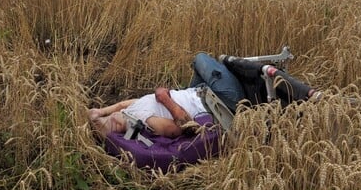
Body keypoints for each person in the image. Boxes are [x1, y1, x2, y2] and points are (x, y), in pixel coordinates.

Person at [88, 52, 320, 139]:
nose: (114, 118)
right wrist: (165, 99)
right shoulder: (144, 120)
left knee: (211, 65)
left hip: (198, 91)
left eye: (111, 118)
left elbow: (120, 104)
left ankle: (239, 72)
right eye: (111, 124)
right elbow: (179, 128)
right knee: (203, 59)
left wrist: (100, 111)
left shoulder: (129, 110)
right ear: (120, 127)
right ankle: (307, 93)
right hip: (217, 103)